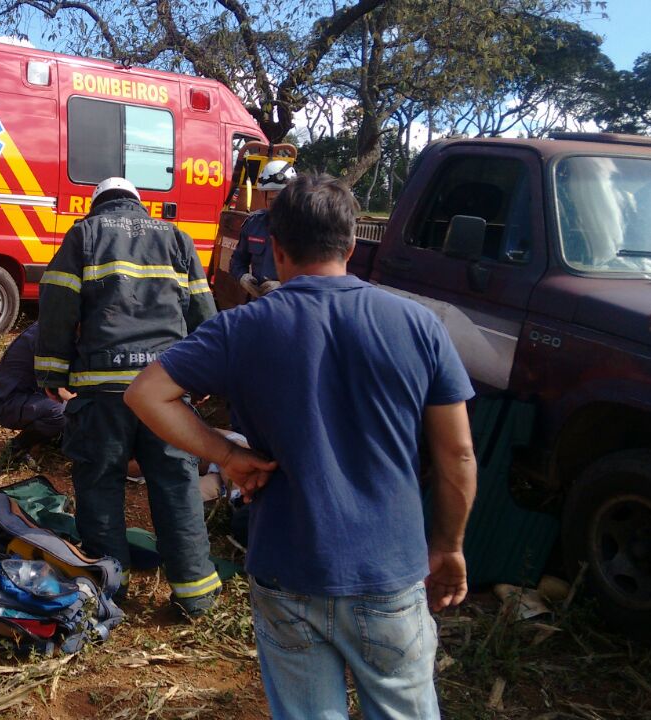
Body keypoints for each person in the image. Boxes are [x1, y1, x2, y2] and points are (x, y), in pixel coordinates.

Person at [127, 174, 478, 719]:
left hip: (287, 570)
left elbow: (146, 394)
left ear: (276, 250)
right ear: (352, 245)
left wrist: (226, 455)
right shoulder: (419, 325)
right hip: (389, 571)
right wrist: (449, 545)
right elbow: (457, 456)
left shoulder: (242, 327)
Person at [35, 176, 222, 617]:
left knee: (100, 481)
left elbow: (57, 302)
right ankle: (196, 594)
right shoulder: (177, 238)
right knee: (177, 483)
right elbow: (204, 312)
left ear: (97, 203)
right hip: (165, 390)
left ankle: (108, 589)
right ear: (139, 203)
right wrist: (202, 376)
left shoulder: (85, 234)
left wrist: (52, 371)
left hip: (103, 389)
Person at [0, 321, 68, 466]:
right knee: (63, 412)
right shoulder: (50, 337)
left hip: (31, 395)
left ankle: (54, 436)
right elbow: (58, 390)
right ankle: (16, 449)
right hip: (7, 402)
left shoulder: (57, 327)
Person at [229, 160, 295, 300]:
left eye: (282, 200)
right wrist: (242, 277)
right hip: (259, 303)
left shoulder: (307, 227)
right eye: (272, 200)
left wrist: (284, 285)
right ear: (263, 197)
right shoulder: (254, 223)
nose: (277, 206)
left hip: (291, 304)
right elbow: (237, 261)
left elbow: (317, 274)